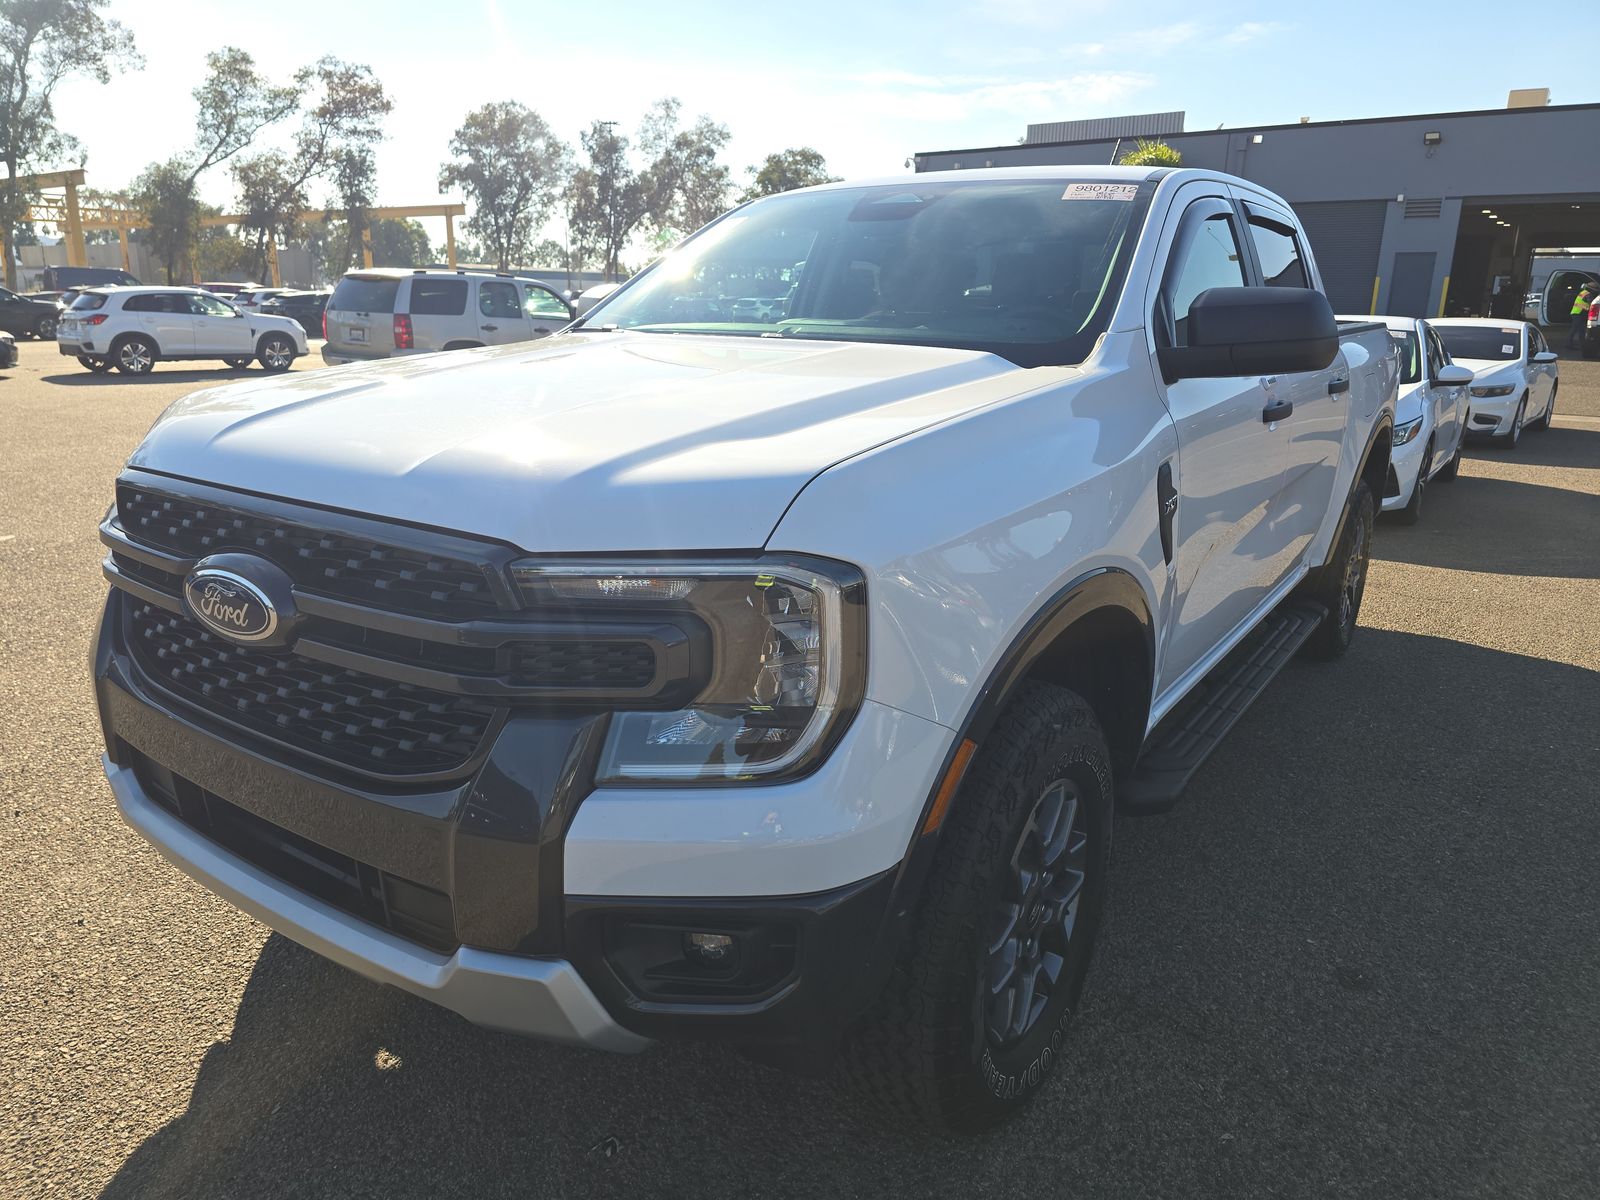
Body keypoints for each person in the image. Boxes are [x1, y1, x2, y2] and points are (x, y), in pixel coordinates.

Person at [1567, 284, 1595, 349]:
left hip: (1576, 313)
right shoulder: (1587, 294)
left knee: (1578, 329)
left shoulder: (1583, 293)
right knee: (1579, 329)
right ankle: (1579, 345)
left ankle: (1575, 344)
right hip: (1578, 313)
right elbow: (1591, 304)